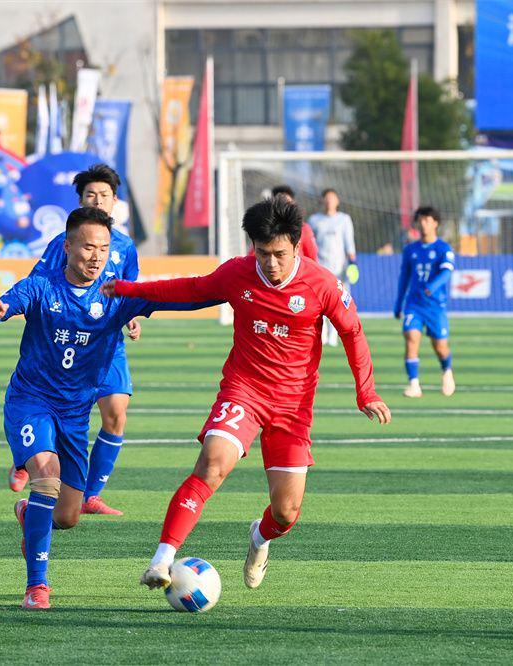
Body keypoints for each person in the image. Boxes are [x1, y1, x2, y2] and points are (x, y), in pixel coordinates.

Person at [103, 196, 392, 591]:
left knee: (286, 512)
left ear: (296, 245)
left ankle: (259, 537)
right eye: (262, 253)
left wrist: (366, 392)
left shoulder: (323, 284)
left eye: (279, 254)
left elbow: (352, 333)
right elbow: (190, 290)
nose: (270, 264)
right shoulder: (239, 274)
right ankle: (162, 560)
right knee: (212, 463)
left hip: (293, 408)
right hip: (244, 391)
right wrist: (127, 289)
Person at [0, 207, 209, 609]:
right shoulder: (40, 287)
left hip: (73, 414)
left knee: (67, 516)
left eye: (103, 248)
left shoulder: (116, 295)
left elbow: (178, 298)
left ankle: (29, 514)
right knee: (46, 479)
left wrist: (229, 291)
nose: (97, 256)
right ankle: (37, 586)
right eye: (88, 246)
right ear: (67, 247)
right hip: (30, 402)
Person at [9, 164, 139, 517]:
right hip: (64, 342)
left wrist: (132, 319)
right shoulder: (61, 244)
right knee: (52, 412)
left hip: (106, 343)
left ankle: (91, 493)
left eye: (104, 196)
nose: (97, 201)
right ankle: (31, 455)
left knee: (115, 414)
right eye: (90, 196)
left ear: (115, 201)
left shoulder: (125, 246)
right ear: (80, 200)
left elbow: (131, 290)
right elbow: (41, 283)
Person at [394, 206, 456, 398]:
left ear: (435, 223)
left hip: (435, 306)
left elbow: (447, 272)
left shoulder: (443, 249)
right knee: (411, 338)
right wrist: (398, 303)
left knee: (440, 347)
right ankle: (414, 385)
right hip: (414, 304)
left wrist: (432, 285)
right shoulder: (410, 250)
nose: (423, 224)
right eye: (420, 220)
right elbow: (404, 277)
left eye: (427, 220)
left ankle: (447, 371)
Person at [307, 188, 357, 347]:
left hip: (339, 267)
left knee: (339, 302)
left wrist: (352, 263)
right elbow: (309, 243)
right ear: (322, 200)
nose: (329, 201)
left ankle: (334, 334)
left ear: (337, 201)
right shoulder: (314, 220)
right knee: (318, 302)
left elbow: (349, 242)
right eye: (326, 198)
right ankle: (321, 333)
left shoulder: (344, 219)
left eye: (332, 198)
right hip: (320, 267)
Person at [270, 184, 318, 261]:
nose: (284, 206)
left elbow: (312, 257)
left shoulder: (304, 228)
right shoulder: (265, 228)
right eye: (280, 202)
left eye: (287, 202)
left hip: (298, 272)